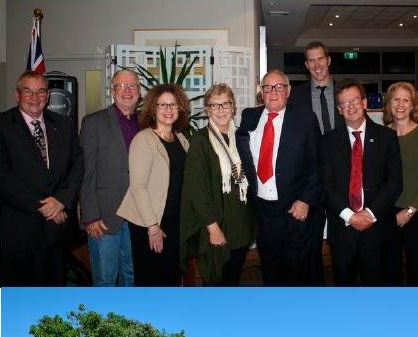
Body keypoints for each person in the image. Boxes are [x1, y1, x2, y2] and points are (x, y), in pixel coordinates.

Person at [236, 70, 321, 286]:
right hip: (263, 211)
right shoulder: (249, 117)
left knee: (297, 271)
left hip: (295, 210)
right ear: (262, 92)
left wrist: (305, 200)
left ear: (288, 90)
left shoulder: (306, 119)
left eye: (279, 87)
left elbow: (318, 164)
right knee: (271, 268)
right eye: (268, 87)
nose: (273, 92)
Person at [1, 71, 84, 286]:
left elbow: (77, 166)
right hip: (19, 232)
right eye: (28, 92)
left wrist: (61, 201)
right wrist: (46, 208)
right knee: (17, 299)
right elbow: (1, 176)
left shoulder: (64, 124)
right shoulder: (0, 125)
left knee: (52, 299)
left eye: (40, 92)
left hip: (56, 233)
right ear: (17, 94)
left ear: (47, 96)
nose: (34, 98)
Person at [320, 78, 403, 285]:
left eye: (355, 100)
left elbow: (394, 182)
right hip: (343, 228)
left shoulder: (387, 137)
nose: (351, 107)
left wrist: (369, 214)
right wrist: (350, 216)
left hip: (377, 228)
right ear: (339, 109)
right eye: (345, 103)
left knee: (376, 289)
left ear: (365, 102)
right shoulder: (328, 141)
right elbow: (325, 186)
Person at [180, 84, 257, 286]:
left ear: (233, 107)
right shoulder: (200, 141)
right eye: (215, 105)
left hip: (240, 225)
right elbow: (196, 191)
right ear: (207, 109)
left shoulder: (242, 137)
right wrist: (213, 229)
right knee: (216, 281)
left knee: (232, 280)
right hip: (216, 225)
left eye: (225, 104)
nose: (221, 110)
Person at [116, 84, 189, 286]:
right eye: (162, 105)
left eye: (173, 104)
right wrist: (153, 228)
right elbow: (138, 187)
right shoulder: (144, 139)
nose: (168, 109)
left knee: (171, 276)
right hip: (149, 222)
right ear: (153, 109)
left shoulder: (181, 139)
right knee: (152, 279)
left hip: (174, 220)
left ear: (180, 108)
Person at [289, 41, 345, 284]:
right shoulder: (297, 96)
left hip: (341, 178)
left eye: (320, 59)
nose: (317, 65)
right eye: (311, 60)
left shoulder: (346, 91)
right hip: (310, 180)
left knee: (343, 242)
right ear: (306, 65)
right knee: (310, 245)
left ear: (329, 60)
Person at [79, 69, 142, 286]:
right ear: (112, 90)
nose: (127, 90)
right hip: (104, 217)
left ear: (139, 91)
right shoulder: (93, 122)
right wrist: (90, 216)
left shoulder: (147, 122)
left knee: (133, 276)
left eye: (132, 86)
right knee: (105, 280)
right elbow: (86, 172)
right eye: (121, 86)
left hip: (137, 216)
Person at [382, 82, 418, 286]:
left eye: (406, 100)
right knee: (389, 269)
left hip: (417, 213)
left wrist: (410, 211)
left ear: (413, 105)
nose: (401, 104)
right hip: (388, 213)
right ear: (389, 104)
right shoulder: (382, 135)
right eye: (396, 99)